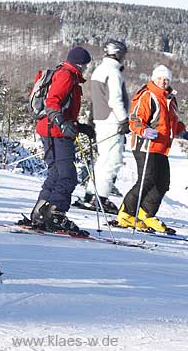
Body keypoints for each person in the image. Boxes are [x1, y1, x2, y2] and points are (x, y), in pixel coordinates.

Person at [26, 46, 94, 234]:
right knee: (67, 175)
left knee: (56, 173)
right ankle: (56, 214)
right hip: (55, 132)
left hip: (52, 129)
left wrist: (79, 127)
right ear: (79, 64)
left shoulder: (66, 74)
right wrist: (63, 124)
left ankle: (40, 214)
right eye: (85, 65)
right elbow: (53, 103)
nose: (85, 69)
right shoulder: (66, 76)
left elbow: (64, 108)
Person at [116, 65, 188, 233]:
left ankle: (145, 214)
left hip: (162, 147)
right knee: (147, 180)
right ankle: (126, 213)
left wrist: (182, 132)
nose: (163, 82)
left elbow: (173, 122)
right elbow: (135, 119)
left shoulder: (170, 98)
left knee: (162, 183)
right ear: (154, 79)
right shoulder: (148, 95)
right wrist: (143, 130)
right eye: (160, 79)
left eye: (166, 79)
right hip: (145, 145)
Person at [80, 39, 129, 214]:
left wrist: (92, 120)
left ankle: (91, 194)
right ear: (117, 54)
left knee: (102, 160)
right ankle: (100, 198)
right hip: (112, 121)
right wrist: (124, 120)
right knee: (112, 161)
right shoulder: (114, 73)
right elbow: (115, 99)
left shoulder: (99, 70)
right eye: (123, 54)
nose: (124, 57)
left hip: (101, 120)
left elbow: (94, 100)